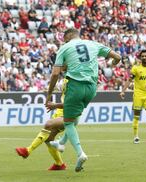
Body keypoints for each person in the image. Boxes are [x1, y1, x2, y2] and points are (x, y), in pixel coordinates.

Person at [46, 28, 121, 172]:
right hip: (92, 88)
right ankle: (61, 143)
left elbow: (55, 73)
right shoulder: (93, 44)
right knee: (74, 118)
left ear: (68, 37)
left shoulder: (65, 47)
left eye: (65, 39)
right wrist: (113, 65)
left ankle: (80, 153)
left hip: (75, 85)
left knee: (68, 123)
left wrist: (49, 95)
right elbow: (117, 56)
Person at [15, 79, 68, 171]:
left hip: (68, 115)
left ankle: (28, 150)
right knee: (48, 139)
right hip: (60, 113)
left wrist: (55, 105)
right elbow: (58, 87)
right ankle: (59, 164)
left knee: (48, 125)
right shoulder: (66, 79)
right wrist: (48, 89)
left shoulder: (76, 83)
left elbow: (73, 104)